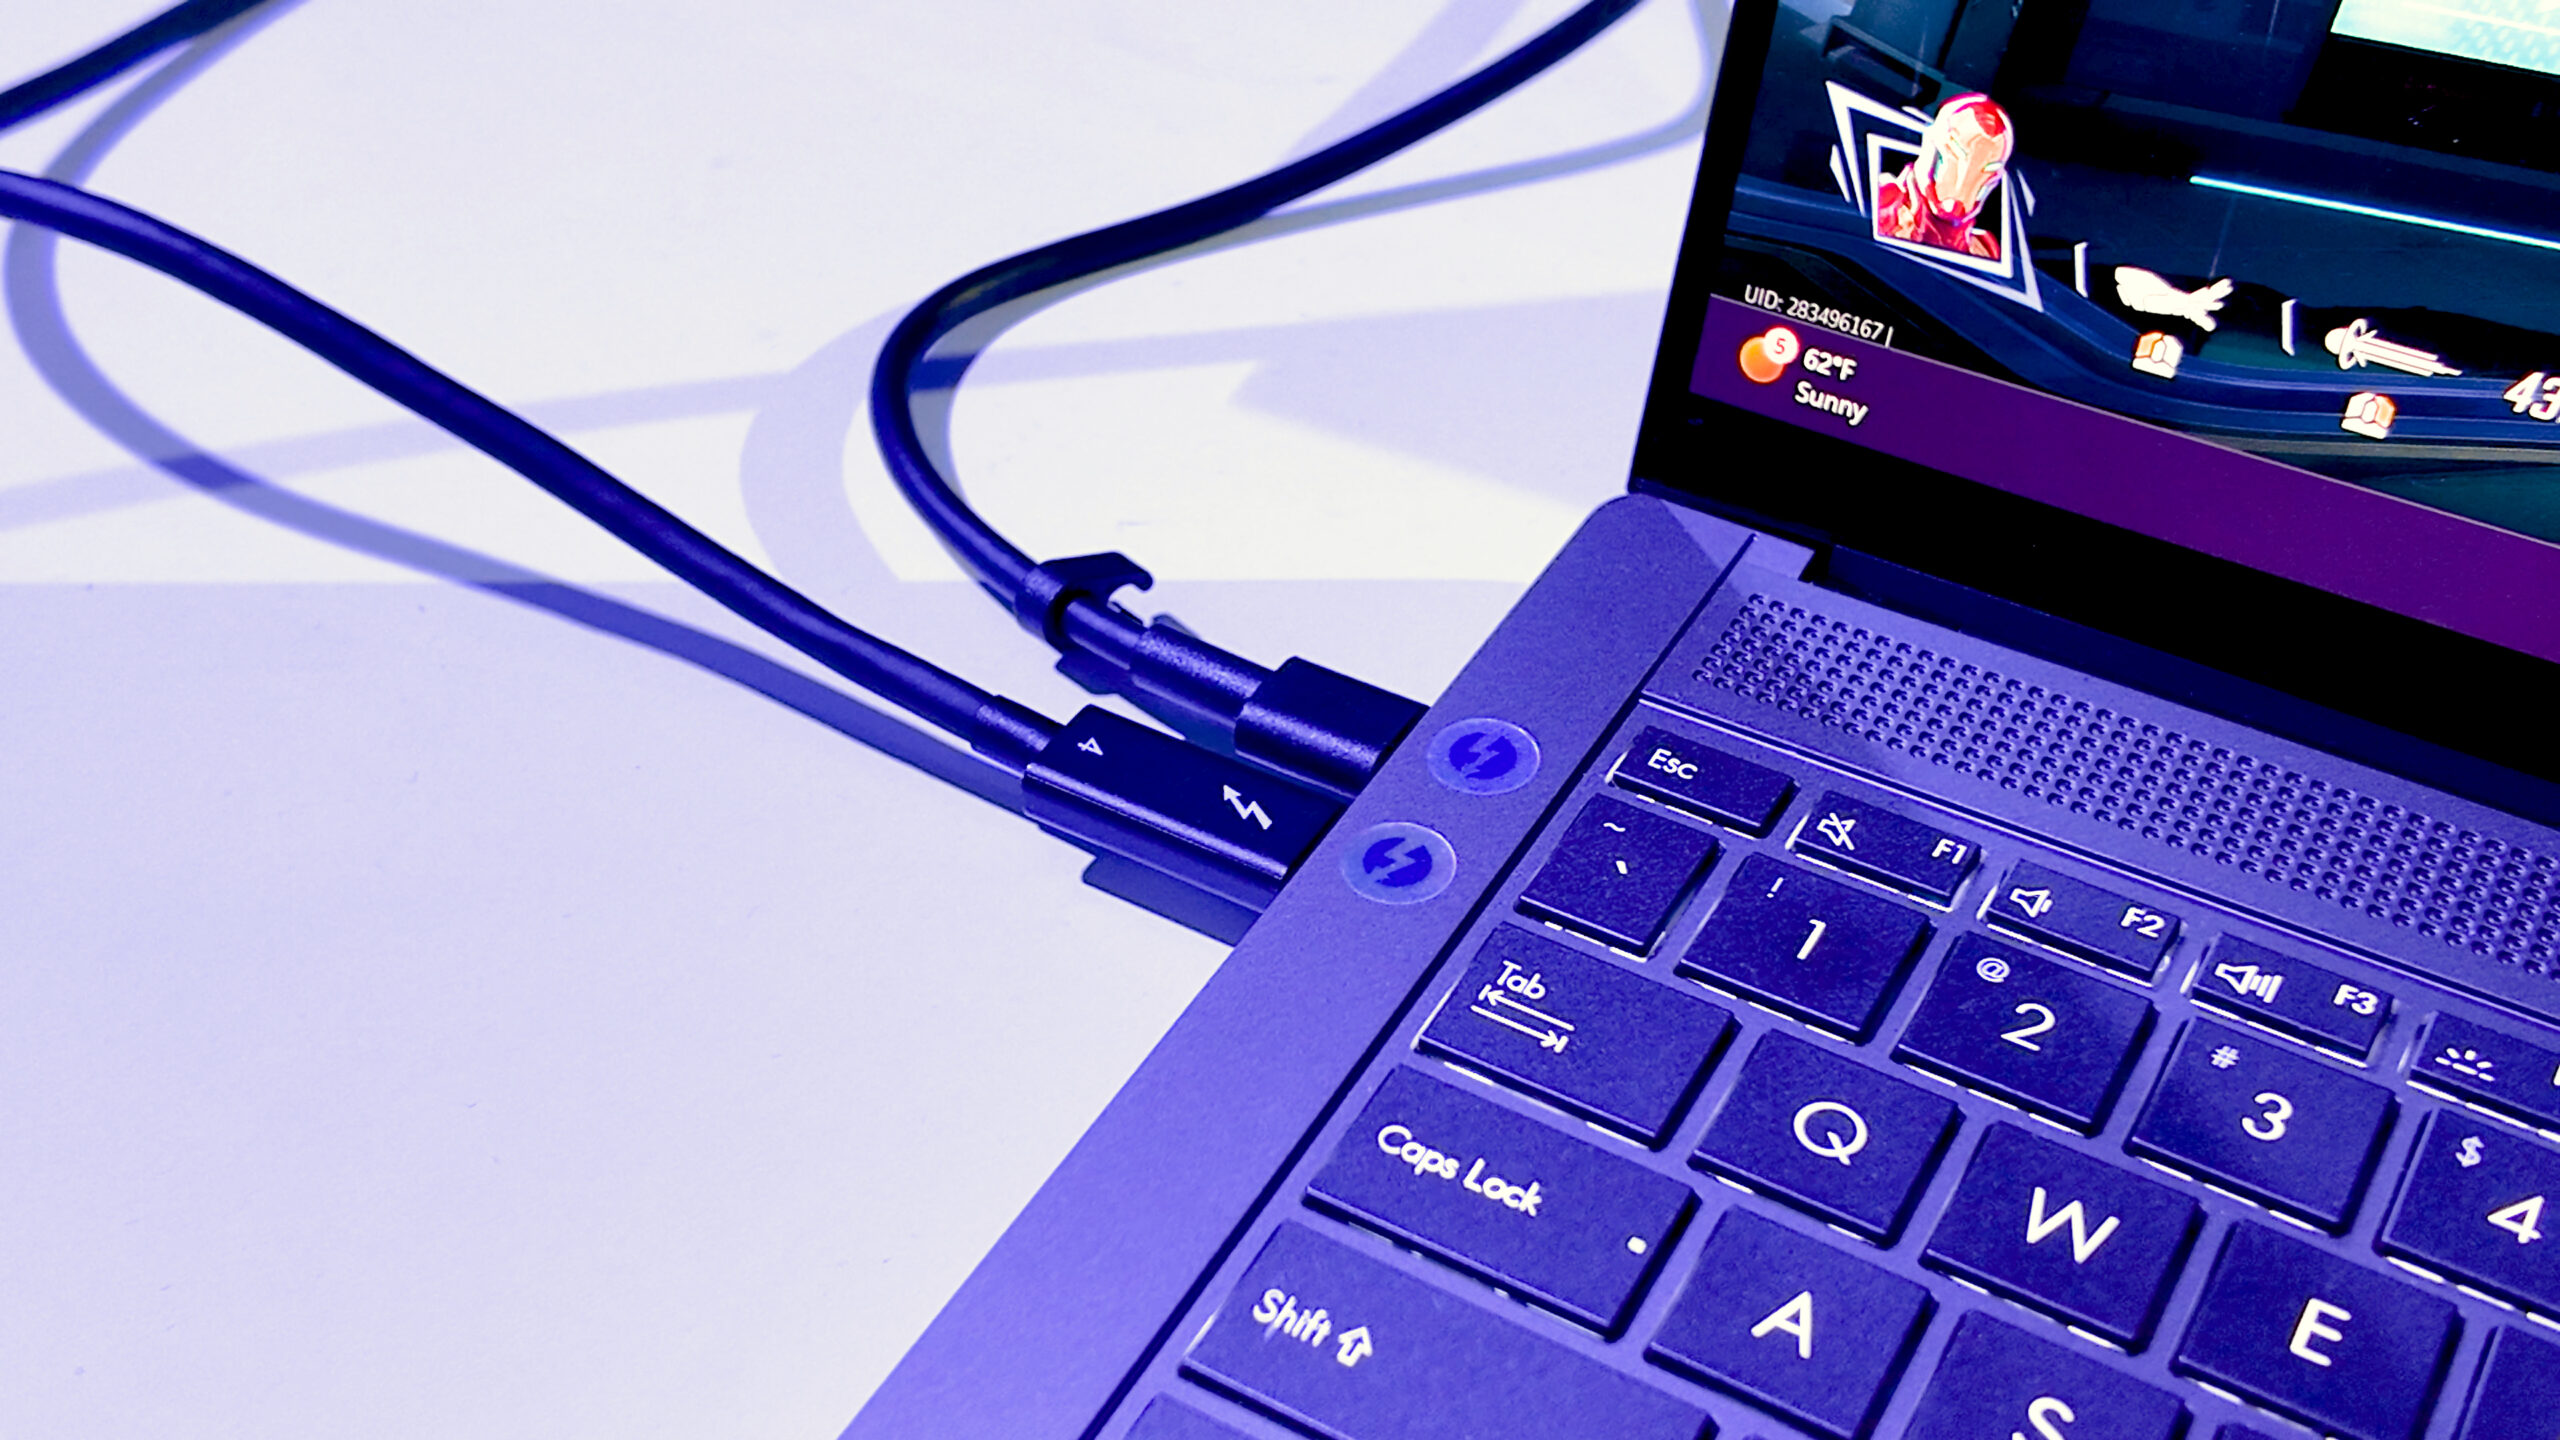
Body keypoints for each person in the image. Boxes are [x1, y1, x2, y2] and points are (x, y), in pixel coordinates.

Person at [1874, 92, 2013, 260]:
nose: (1963, 182)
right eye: (1956, 153)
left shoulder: (1986, 252)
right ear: (1933, 146)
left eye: (1988, 169)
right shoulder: (1880, 206)